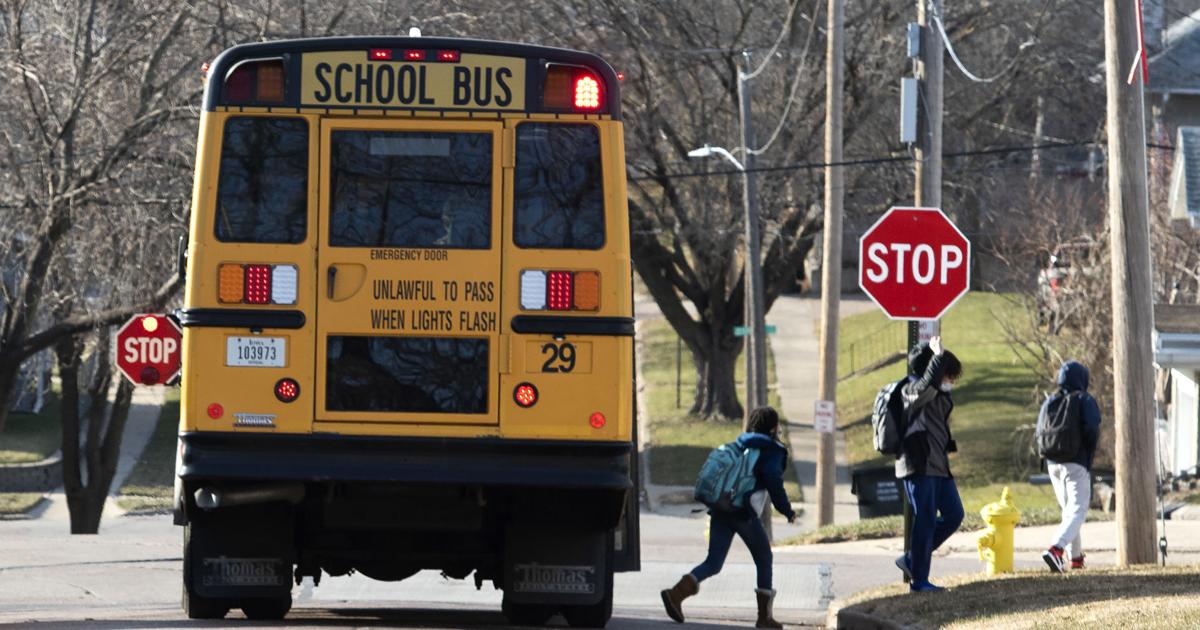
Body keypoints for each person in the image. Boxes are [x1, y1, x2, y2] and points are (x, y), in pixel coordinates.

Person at [661, 406, 798, 628]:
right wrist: (787, 510)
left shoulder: (739, 444)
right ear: (773, 428)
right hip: (742, 513)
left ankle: (676, 594)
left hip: (721, 507)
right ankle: (764, 618)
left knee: (714, 562)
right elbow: (773, 480)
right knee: (764, 557)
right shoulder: (771, 450)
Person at [894, 336, 964, 593]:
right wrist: (938, 356)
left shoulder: (936, 393)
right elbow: (923, 391)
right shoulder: (910, 391)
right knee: (924, 520)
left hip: (938, 467)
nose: (951, 381)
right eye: (948, 375)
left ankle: (912, 560)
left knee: (955, 514)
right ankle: (919, 581)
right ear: (933, 369)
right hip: (918, 466)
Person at [1037, 360, 1102, 572]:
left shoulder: (1050, 402)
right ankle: (1056, 549)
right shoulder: (1083, 398)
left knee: (1070, 513)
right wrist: (1089, 451)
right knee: (1078, 510)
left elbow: (1039, 430)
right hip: (1076, 462)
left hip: (1052, 463)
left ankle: (1076, 560)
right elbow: (1092, 427)